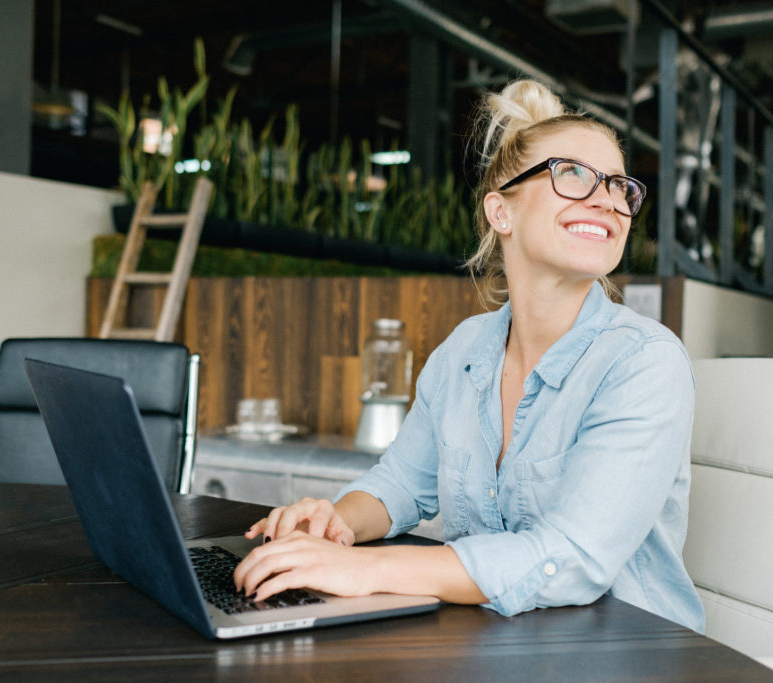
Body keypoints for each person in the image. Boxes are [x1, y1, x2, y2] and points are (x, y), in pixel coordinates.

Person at [233, 78, 705, 632]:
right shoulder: (464, 351)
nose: (606, 198)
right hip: (496, 645)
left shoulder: (644, 362)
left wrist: (365, 569)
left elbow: (573, 557)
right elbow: (402, 484)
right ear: (500, 212)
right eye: (572, 174)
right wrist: (333, 525)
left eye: (620, 186)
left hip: (623, 655)